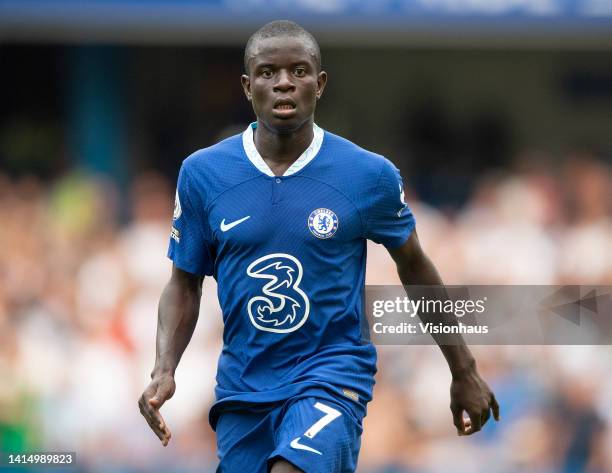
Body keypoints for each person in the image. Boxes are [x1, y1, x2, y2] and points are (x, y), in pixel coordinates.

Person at [138, 20, 499, 473]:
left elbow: (416, 268)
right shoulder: (203, 174)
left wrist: (463, 370)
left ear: (320, 83)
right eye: (268, 73)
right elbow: (183, 283)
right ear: (248, 87)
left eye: (299, 71)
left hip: (331, 376)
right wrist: (164, 368)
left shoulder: (367, 176)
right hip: (244, 387)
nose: (284, 82)